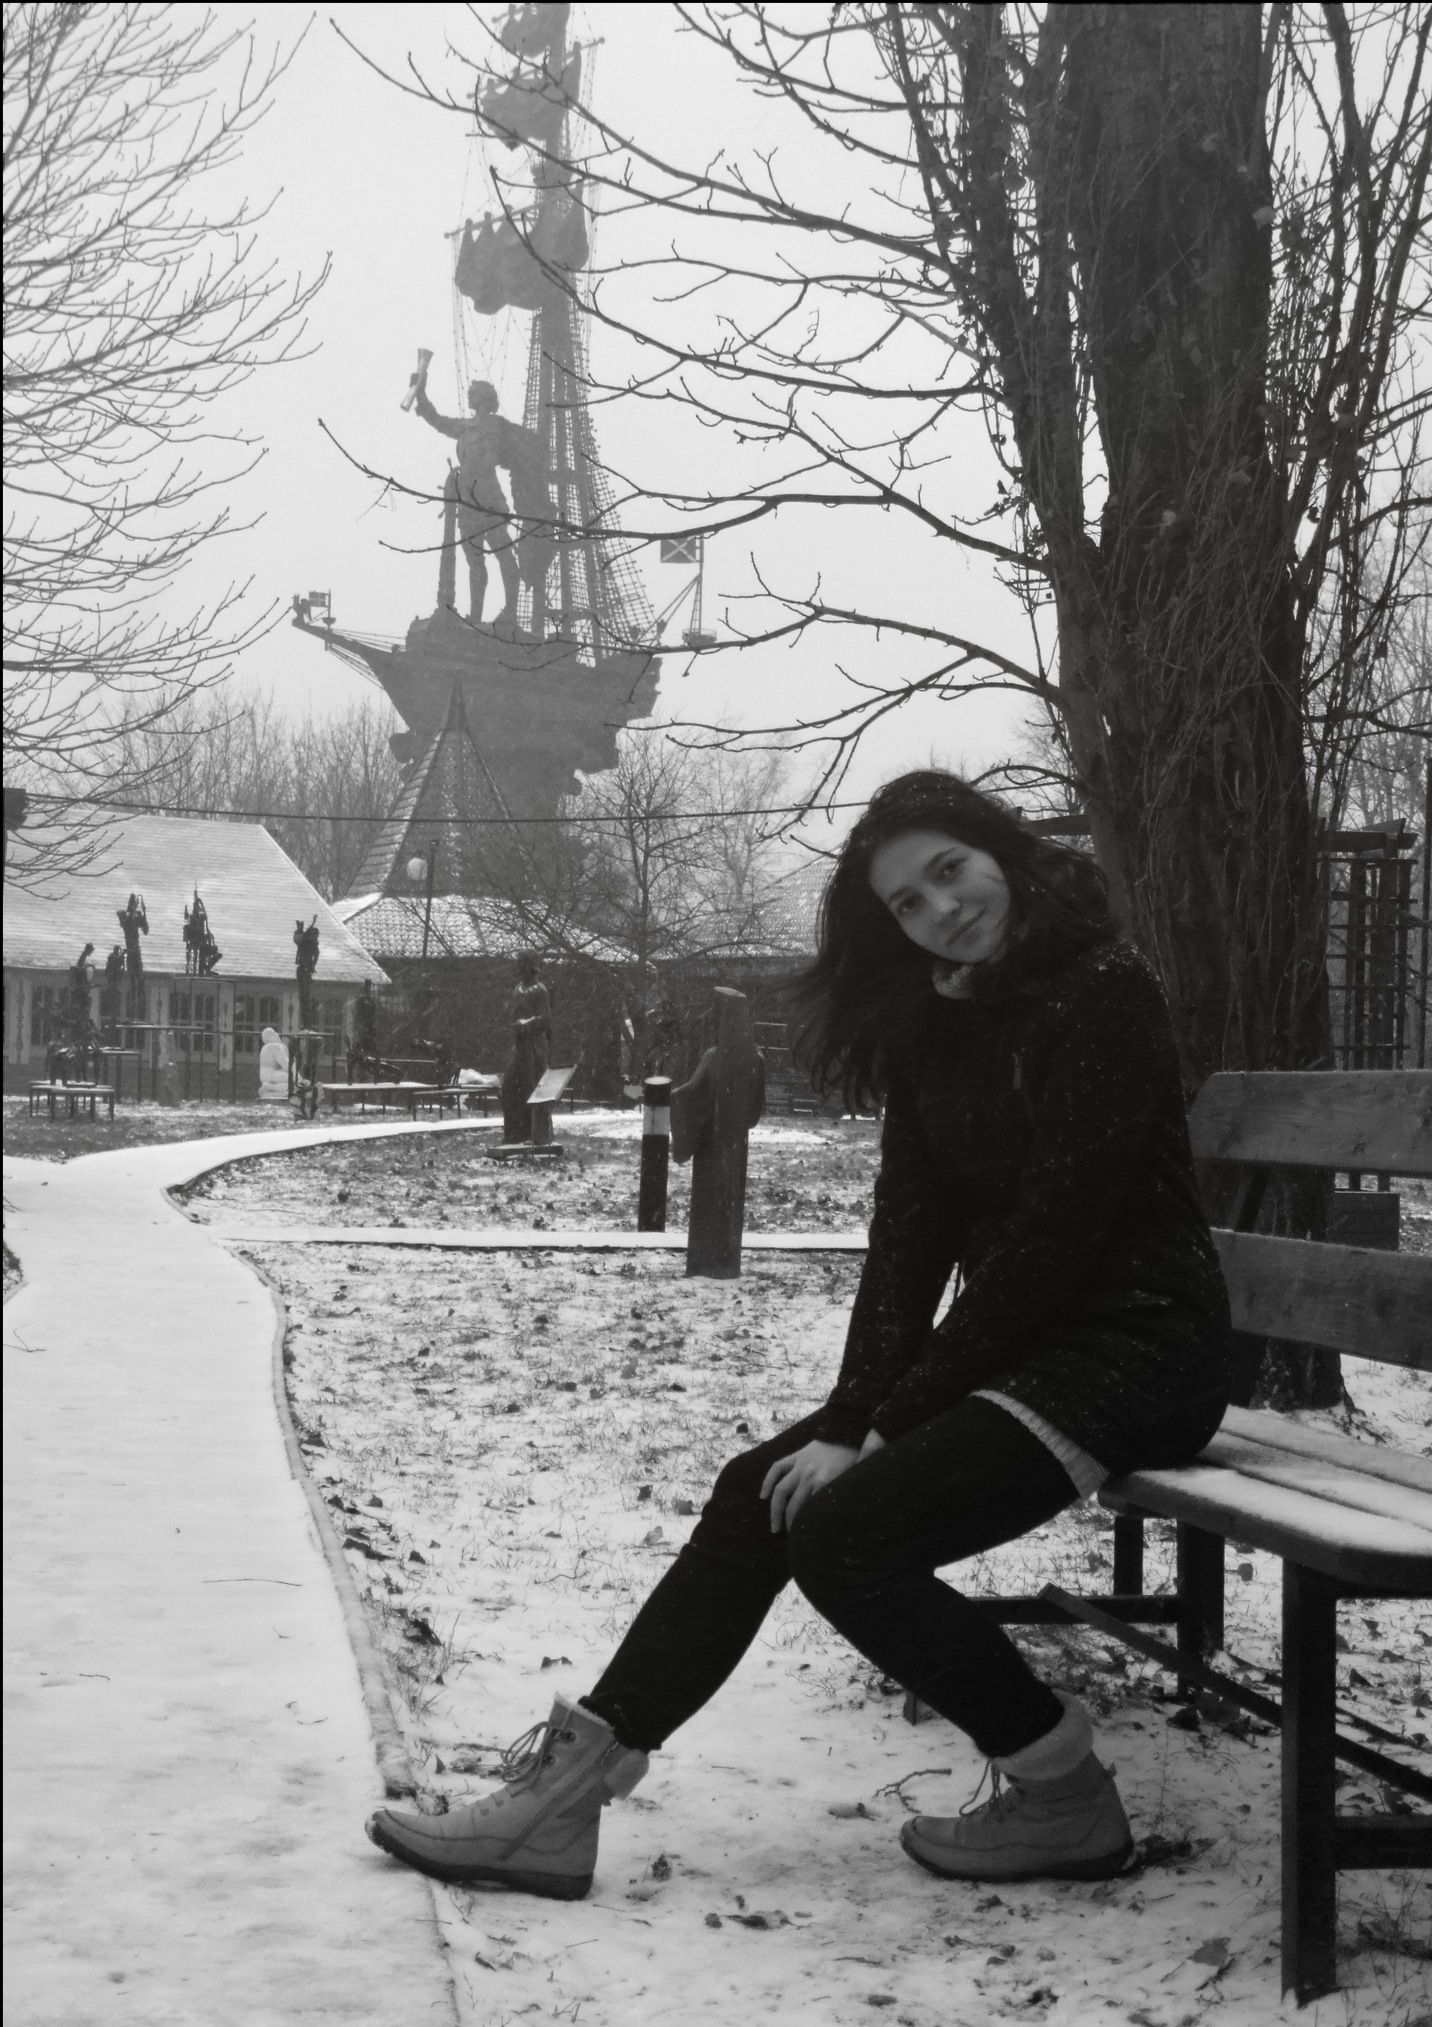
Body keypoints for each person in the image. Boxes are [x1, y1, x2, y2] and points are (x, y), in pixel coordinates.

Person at [365, 769, 1232, 1900]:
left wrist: (885, 1428)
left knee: (845, 1535)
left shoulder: (1104, 989)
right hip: (1029, 1354)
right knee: (762, 1489)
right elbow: (910, 1240)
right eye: (907, 903)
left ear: (1002, 852)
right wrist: (848, 1418)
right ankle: (562, 1800)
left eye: (950, 871)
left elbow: (1055, 1244)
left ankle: (1063, 1795)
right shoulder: (938, 1021)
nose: (942, 908)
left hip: (1140, 1352)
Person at [414, 374, 556, 625]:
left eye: (475, 392)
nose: (470, 395)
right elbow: (437, 420)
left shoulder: (499, 427)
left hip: (489, 498)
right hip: (467, 498)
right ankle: (476, 618)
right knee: (474, 561)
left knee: (503, 554)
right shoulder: (464, 426)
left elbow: (526, 446)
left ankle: (510, 611)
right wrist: (420, 393)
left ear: (485, 398)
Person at [502, 952, 553, 1143]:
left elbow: (545, 1019)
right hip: (519, 1045)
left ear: (530, 966)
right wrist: (515, 1025)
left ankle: (534, 1135)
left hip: (534, 1047)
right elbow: (513, 1014)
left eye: (521, 964)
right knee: (510, 1088)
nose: (518, 968)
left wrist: (528, 1024)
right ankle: (513, 1134)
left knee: (532, 1089)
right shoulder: (518, 989)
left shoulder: (540, 990)